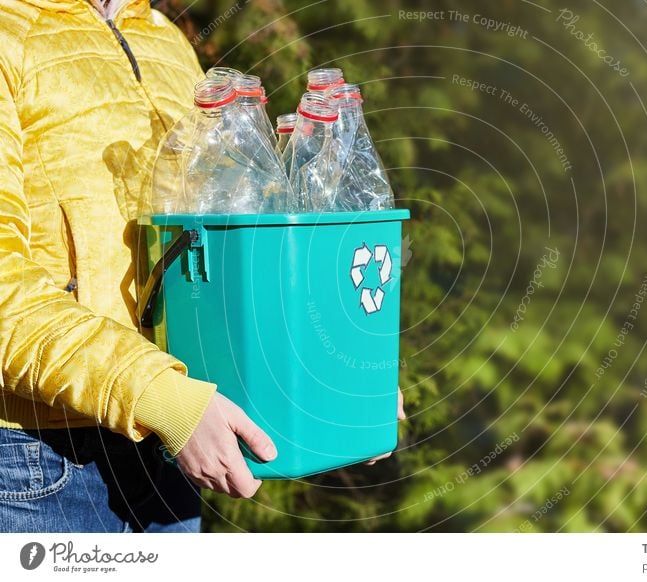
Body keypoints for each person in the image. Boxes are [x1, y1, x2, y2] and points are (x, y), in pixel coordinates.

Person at [0, 0, 402, 533]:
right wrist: (161, 397)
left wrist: (331, 367)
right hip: (42, 460)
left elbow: (218, 263)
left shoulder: (165, 38)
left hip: (171, 443)